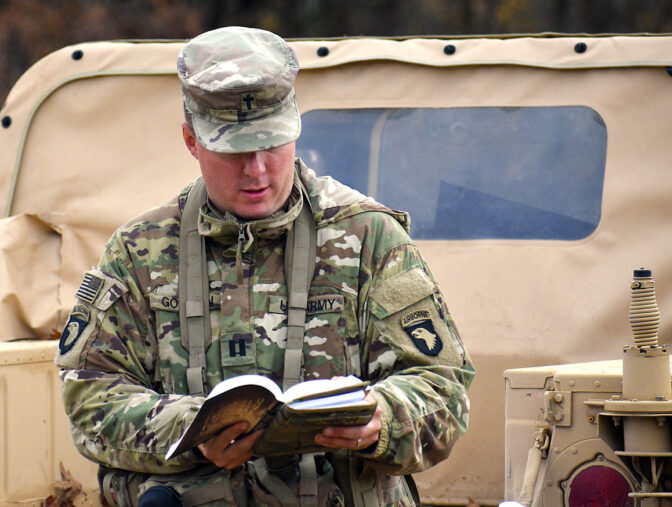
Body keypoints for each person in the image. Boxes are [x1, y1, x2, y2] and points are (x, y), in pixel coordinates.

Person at [55, 26, 475, 507]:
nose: (256, 169)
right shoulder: (140, 251)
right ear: (192, 140)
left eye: (271, 144)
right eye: (234, 149)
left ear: (295, 129)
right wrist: (190, 432)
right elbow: (89, 398)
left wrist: (382, 417)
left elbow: (445, 386)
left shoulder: (368, 238)